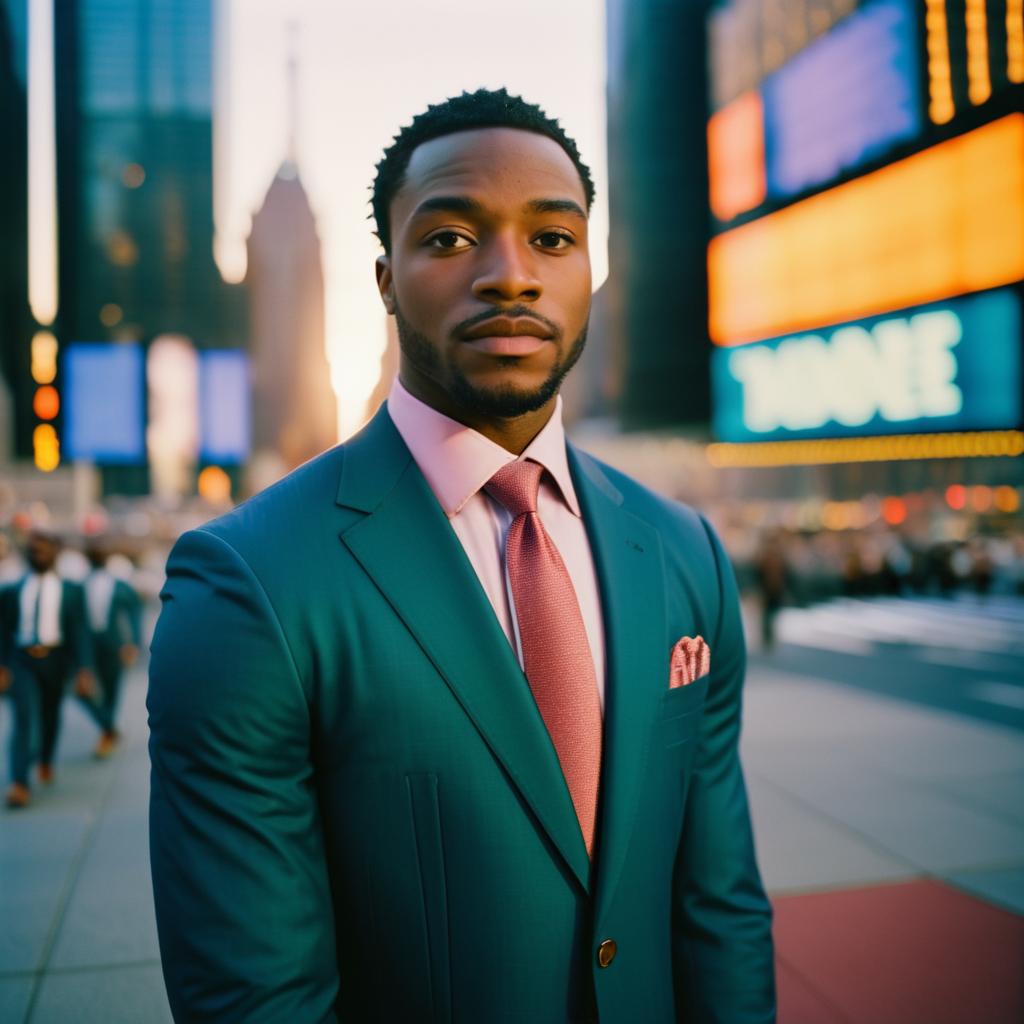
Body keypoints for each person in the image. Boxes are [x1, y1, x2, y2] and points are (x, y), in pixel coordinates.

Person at [148, 89, 775, 1023]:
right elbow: (255, 997)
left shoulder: (683, 550)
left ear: (591, 267)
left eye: (553, 240)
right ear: (385, 280)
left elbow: (719, 910)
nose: (511, 275)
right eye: (449, 238)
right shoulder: (248, 584)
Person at [0, 528, 95, 808]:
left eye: (42, 548)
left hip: (56, 661)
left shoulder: (72, 591)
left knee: (50, 715)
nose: (36, 553)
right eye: (32, 548)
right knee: (23, 719)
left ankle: (45, 759)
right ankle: (19, 782)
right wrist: (3, 666)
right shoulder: (12, 591)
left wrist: (84, 669)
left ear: (55, 552)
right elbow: (3, 631)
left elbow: (80, 632)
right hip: (22, 660)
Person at [80, 538, 142, 757]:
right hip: (86, 646)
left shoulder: (119, 585)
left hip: (113, 643)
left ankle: (106, 733)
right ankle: (108, 727)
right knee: (80, 690)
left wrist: (133, 642)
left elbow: (135, 613)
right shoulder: (80, 585)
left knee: (111, 687)